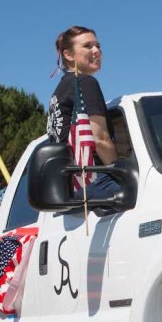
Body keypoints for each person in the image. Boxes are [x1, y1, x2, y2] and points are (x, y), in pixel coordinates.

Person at [46, 25, 119, 197]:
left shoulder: (61, 89)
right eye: (88, 46)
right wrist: (121, 174)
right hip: (96, 180)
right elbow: (99, 138)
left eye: (98, 46)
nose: (97, 51)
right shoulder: (84, 82)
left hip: (71, 187)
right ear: (68, 55)